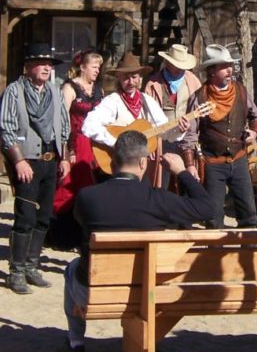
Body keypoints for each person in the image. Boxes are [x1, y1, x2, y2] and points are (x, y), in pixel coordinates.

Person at [63, 130, 216, 352]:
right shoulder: (157, 199)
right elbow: (208, 208)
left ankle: (76, 343)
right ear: (144, 162)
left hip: (96, 293)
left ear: (112, 162)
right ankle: (148, 339)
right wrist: (182, 172)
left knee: (72, 268)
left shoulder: (87, 197)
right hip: (147, 294)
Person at [0, 42, 71, 294]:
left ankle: (32, 266)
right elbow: (7, 128)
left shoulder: (54, 92)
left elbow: (63, 126)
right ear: (28, 67)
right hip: (27, 161)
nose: (47, 68)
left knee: (44, 217)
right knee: (25, 217)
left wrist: (64, 157)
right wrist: (18, 160)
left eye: (49, 64)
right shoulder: (14, 91)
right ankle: (16, 271)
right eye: (41, 63)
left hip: (51, 161)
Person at [180, 44, 257, 228]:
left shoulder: (241, 91)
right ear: (211, 71)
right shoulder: (199, 97)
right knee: (213, 216)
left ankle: (247, 252)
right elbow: (190, 134)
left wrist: (254, 131)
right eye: (223, 66)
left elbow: (256, 116)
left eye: (230, 66)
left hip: (239, 159)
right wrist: (189, 165)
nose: (229, 70)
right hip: (212, 163)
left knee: (249, 214)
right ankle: (213, 254)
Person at [82, 52, 186, 180]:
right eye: (126, 77)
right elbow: (88, 126)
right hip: (119, 167)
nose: (131, 82)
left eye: (134, 77)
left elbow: (164, 130)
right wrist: (116, 143)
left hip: (142, 169)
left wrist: (179, 129)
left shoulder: (147, 101)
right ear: (118, 78)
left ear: (140, 78)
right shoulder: (112, 101)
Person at [49, 48, 104, 249]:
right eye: (94, 66)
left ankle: (85, 234)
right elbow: (61, 122)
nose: (97, 70)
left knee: (92, 188)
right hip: (75, 143)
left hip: (93, 145)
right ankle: (62, 235)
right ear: (82, 67)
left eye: (99, 67)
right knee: (70, 188)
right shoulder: (70, 88)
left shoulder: (99, 90)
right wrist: (67, 151)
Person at [145, 43, 202, 188]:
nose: (179, 69)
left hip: (186, 140)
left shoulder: (193, 81)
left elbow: (197, 113)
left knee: (186, 181)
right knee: (162, 181)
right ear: (168, 63)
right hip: (161, 140)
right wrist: (150, 143)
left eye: (182, 65)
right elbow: (146, 117)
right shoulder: (153, 84)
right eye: (176, 65)